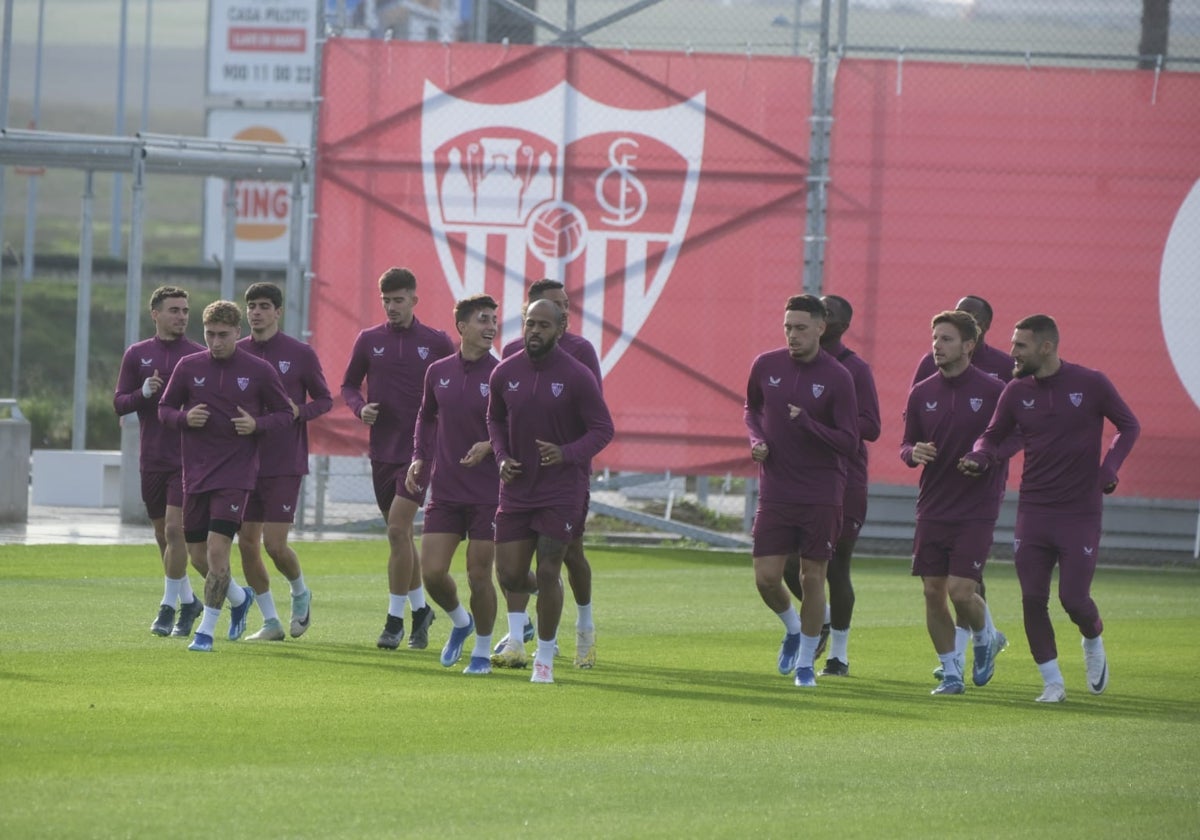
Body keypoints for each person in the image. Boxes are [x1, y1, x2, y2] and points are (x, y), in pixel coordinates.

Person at [959, 314, 1140, 702]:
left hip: (1080, 512)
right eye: (1012, 344)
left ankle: (1092, 640)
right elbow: (992, 436)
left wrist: (1108, 468)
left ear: (1046, 346)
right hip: (1034, 511)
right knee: (1032, 599)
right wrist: (979, 456)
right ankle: (1052, 682)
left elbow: (1129, 426)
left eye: (1020, 345)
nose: (1012, 352)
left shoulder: (1090, 384)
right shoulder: (1015, 391)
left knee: (1074, 599)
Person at [486, 298, 614, 684]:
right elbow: (493, 417)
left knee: (548, 568)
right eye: (530, 324)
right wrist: (501, 456)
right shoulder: (505, 372)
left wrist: (566, 453)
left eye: (544, 325)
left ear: (561, 329)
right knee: (508, 573)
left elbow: (602, 429)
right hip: (518, 487)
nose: (535, 331)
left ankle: (543, 658)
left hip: (562, 489)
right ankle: (539, 609)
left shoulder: (576, 375)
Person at [158, 300, 295, 652]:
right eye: (209, 334)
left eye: (222, 335)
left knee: (219, 551)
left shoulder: (259, 370)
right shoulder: (189, 367)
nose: (215, 342)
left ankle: (205, 632)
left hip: (235, 475)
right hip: (196, 474)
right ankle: (238, 599)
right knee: (197, 557)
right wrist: (184, 419)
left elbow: (284, 414)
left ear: (238, 332)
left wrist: (256, 425)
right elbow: (164, 409)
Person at [744, 294, 859, 688]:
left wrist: (808, 423)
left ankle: (807, 663)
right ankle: (793, 629)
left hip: (821, 491)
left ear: (820, 328)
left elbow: (850, 440)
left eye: (801, 328)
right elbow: (751, 410)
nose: (793, 335)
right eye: (788, 327)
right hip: (776, 488)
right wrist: (756, 439)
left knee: (813, 577)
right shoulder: (766, 365)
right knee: (766, 577)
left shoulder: (839, 377)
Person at [341, 267, 455, 651]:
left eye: (399, 300)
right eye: (386, 300)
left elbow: (454, 386)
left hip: (420, 452)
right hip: (382, 450)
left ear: (414, 300)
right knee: (401, 535)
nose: (392, 307)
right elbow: (348, 385)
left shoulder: (436, 342)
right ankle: (422, 610)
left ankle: (394, 621)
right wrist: (360, 409)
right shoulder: (369, 340)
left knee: (396, 529)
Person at [902, 310, 1014, 695]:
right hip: (932, 504)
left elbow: (1016, 438)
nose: (937, 345)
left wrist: (987, 458)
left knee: (961, 591)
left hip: (977, 507)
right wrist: (912, 452)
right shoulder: (922, 392)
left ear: (969, 345)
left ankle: (987, 637)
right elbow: (906, 443)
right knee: (932, 591)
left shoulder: (995, 389)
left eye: (947, 339)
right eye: (935, 338)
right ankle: (951, 674)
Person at [405, 294, 502, 675]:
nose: (490, 326)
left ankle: (481, 651)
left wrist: (491, 446)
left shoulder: (501, 374)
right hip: (445, 489)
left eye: (494, 319)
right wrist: (418, 457)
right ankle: (461, 621)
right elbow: (426, 417)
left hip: (487, 492)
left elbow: (517, 428)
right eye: (482, 319)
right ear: (461, 327)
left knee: (480, 573)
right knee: (431, 573)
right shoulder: (438, 371)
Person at [786, 293, 880, 678]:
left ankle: (837, 656)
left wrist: (822, 425)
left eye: (827, 314)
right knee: (788, 565)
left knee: (836, 567)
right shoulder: (789, 364)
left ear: (836, 326)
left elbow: (871, 427)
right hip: (796, 478)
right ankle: (820, 616)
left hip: (844, 482)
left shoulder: (853, 369)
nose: (818, 320)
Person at [236, 283, 332, 642]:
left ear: (278, 312)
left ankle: (300, 592)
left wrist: (299, 411)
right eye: (251, 306)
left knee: (274, 545)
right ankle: (270, 621)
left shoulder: (300, 354)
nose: (257, 312)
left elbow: (324, 400)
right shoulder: (236, 351)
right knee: (246, 543)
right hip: (243, 463)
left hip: (284, 461)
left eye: (264, 306)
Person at [113, 285, 208, 638]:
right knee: (161, 536)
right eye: (174, 310)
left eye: (185, 310)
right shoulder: (138, 354)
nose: (181, 316)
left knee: (173, 530)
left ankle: (168, 607)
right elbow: (119, 403)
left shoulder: (198, 355)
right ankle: (189, 600)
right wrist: (145, 394)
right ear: (155, 314)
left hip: (186, 459)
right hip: (151, 457)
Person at [911, 295, 1013, 385]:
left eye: (969, 316)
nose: (960, 320)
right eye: (957, 314)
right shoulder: (930, 362)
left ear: (986, 325)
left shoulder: (1006, 365)